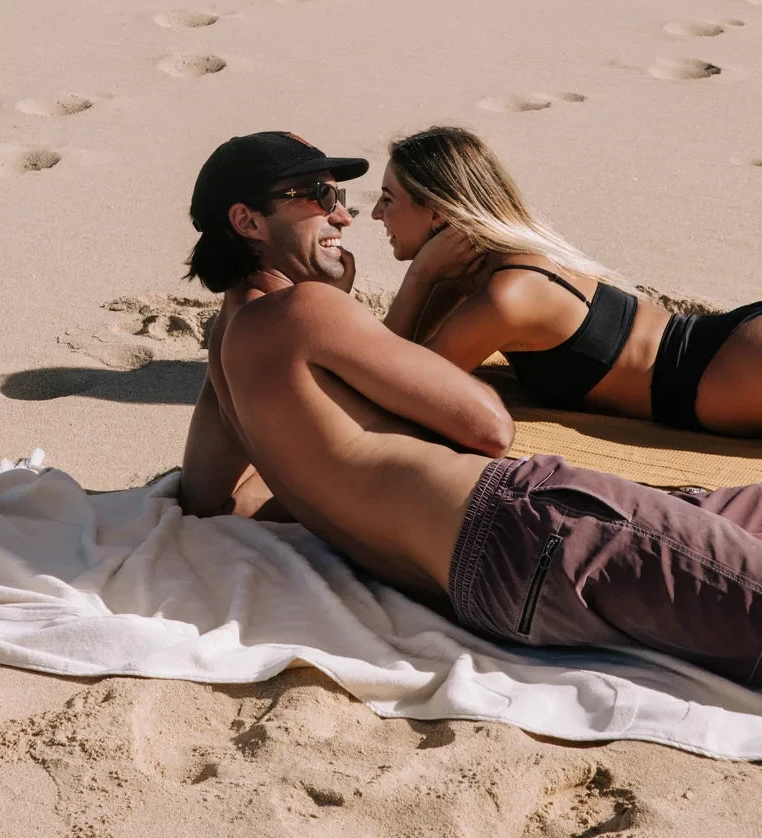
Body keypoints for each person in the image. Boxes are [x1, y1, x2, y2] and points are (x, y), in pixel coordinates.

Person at [179, 130, 762, 689]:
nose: (343, 216)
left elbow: (215, 498)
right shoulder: (308, 310)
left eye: (341, 195)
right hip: (532, 531)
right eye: (317, 197)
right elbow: (488, 426)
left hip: (486, 590)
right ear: (247, 221)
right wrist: (393, 293)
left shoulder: (232, 340)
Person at [372, 125, 762, 437]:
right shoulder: (470, 273)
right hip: (724, 360)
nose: (375, 214)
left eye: (388, 199)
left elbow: (400, 392)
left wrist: (418, 277)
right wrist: (425, 277)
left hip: (722, 371)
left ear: (438, 213)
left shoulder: (509, 295)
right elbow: (384, 363)